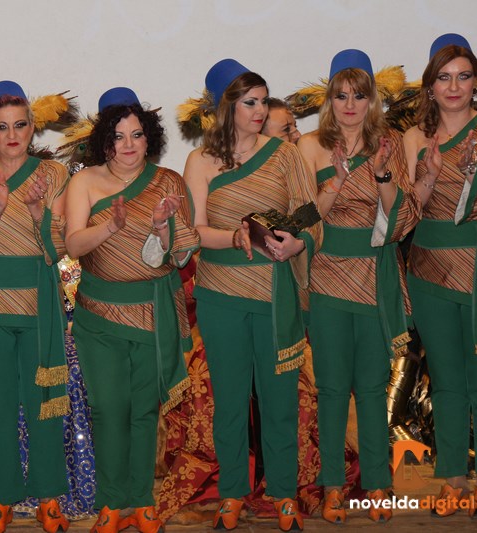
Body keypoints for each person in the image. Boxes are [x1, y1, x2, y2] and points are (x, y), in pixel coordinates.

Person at [184, 59, 321, 532]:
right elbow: (196, 230)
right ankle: (232, 494)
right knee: (229, 401)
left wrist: (297, 243)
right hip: (220, 295)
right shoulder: (200, 161)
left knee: (279, 399)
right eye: (250, 102)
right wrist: (234, 236)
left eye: (263, 101)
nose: (260, 110)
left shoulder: (285, 155)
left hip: (274, 295)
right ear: (226, 107)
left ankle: (283, 493)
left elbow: (309, 216)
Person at [65, 86, 199, 533]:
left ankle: (141, 502)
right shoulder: (84, 182)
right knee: (108, 407)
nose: (128, 144)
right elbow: (73, 245)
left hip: (152, 311)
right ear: (104, 141)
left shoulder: (169, 183)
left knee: (144, 410)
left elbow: (181, 253)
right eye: (118, 136)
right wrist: (111, 226)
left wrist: (161, 227)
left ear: (149, 139)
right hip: (99, 315)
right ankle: (112, 502)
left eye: (137, 135)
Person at [297, 49, 419, 524]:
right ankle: (332, 487)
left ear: (372, 100)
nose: (350, 105)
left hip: (373, 275)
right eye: (341, 95)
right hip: (326, 277)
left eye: (359, 95)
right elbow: (301, 218)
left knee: (370, 388)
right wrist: (336, 180)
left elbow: (402, 217)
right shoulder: (310, 146)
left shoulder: (390, 144)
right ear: (329, 100)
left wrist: (383, 172)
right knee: (331, 388)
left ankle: (378, 486)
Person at [0, 80, 70, 533]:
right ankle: (1, 497)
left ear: (32, 128)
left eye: (20, 125)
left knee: (45, 404)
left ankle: (48, 496)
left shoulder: (54, 174)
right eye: (2, 127)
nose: (12, 135)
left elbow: (58, 250)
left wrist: (36, 213)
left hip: (39, 305)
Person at [403, 33, 477, 519]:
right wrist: (431, 176)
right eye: (444, 77)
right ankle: (453, 479)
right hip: (430, 268)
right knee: (446, 379)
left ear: (476, 83)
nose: (454, 87)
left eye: (463, 77)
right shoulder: (413, 139)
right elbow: (404, 214)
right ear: (430, 87)